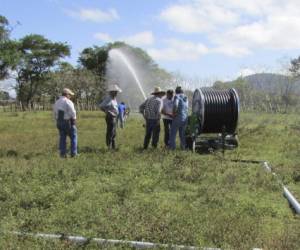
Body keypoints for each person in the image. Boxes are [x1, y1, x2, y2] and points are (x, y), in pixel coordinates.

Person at [53, 88, 77, 158]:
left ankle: (62, 154)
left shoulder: (57, 102)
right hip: (67, 122)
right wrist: (74, 121)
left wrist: (57, 121)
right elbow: (73, 112)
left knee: (62, 138)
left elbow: (54, 113)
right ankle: (73, 154)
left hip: (59, 122)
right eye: (70, 95)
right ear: (67, 94)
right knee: (73, 137)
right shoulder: (68, 101)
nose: (70, 96)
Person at [99, 84, 122, 149]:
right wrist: (107, 112)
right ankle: (108, 147)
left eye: (117, 92)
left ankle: (113, 147)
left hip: (114, 118)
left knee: (114, 132)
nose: (117, 93)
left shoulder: (113, 99)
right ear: (112, 92)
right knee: (110, 132)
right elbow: (101, 106)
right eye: (116, 92)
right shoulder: (109, 98)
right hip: (110, 118)